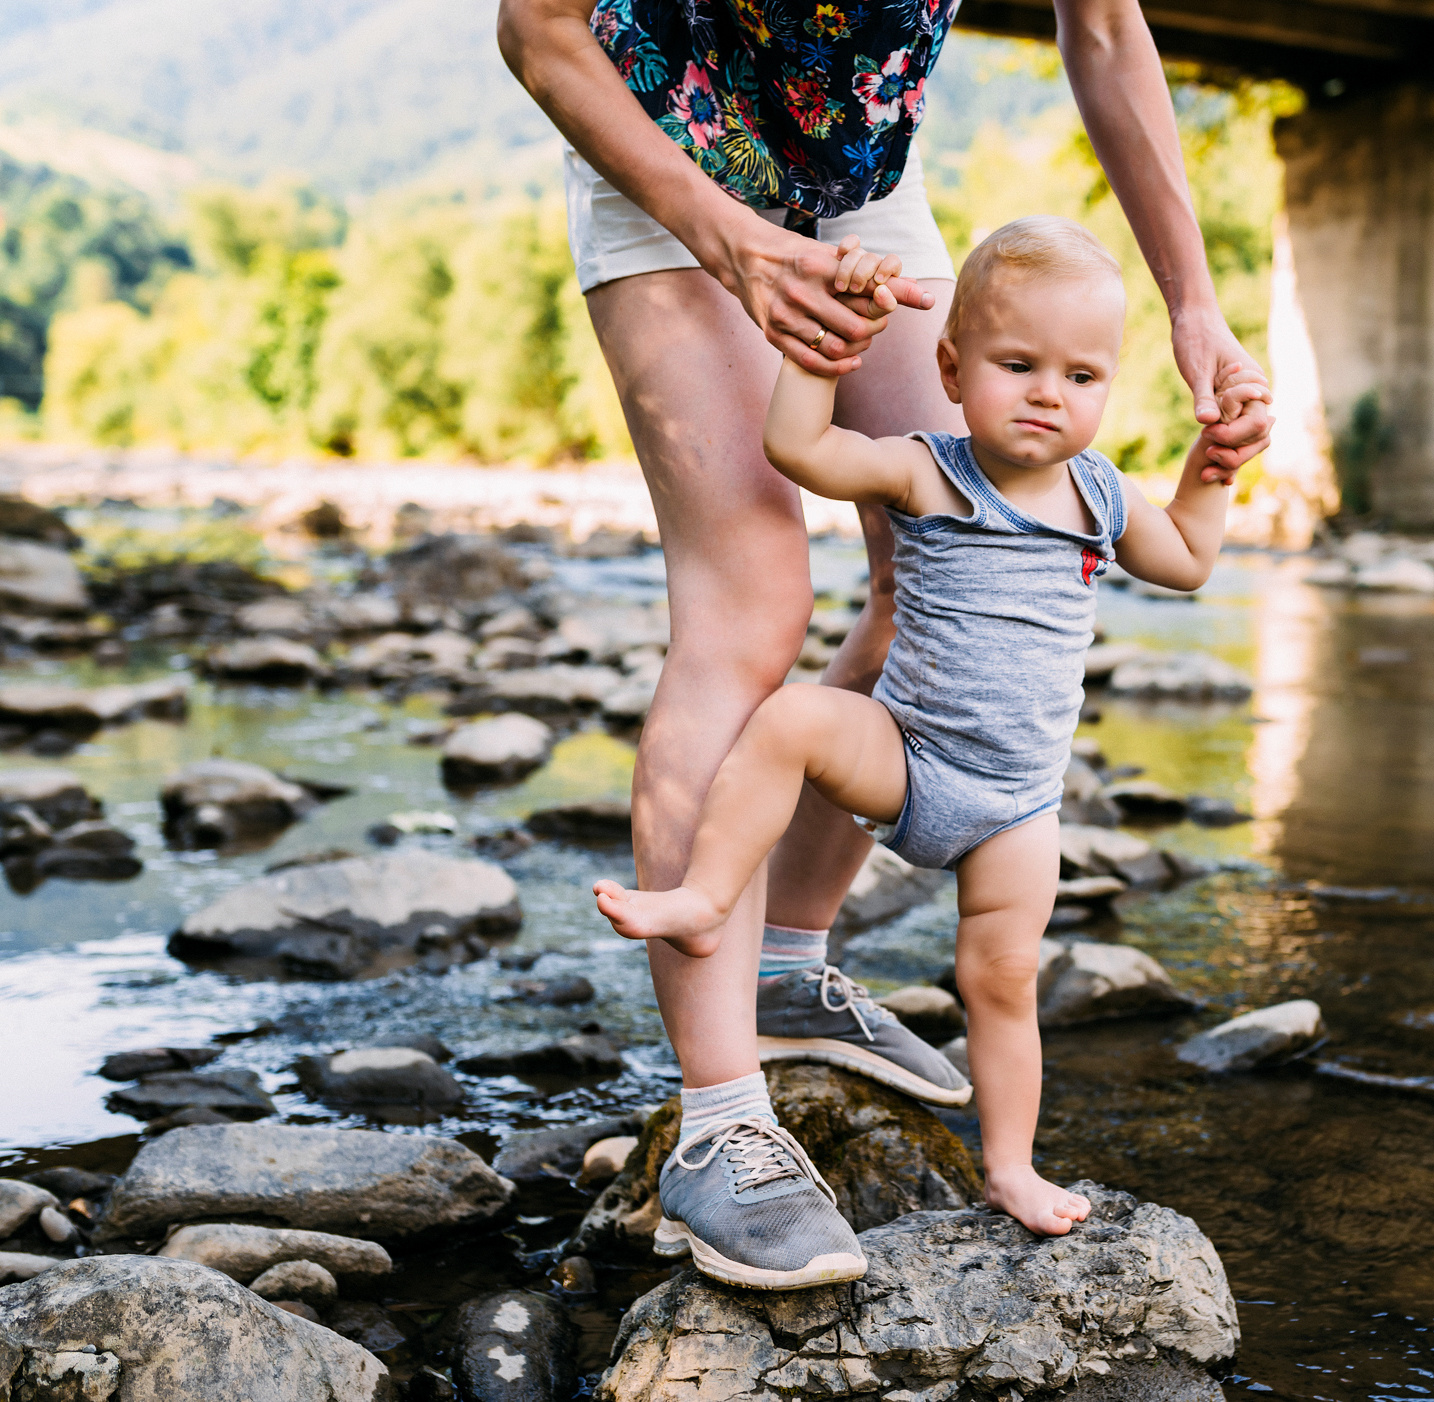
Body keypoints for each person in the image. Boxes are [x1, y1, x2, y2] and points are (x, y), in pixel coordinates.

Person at [496, 0, 1274, 1288]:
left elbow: (1108, 28)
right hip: (671, 135)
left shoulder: (1093, 489)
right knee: (753, 602)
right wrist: (741, 251)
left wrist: (1194, 307)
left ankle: (789, 964)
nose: (1050, 396)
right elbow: (538, 26)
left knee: (926, 568)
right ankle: (722, 1122)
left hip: (857, 170)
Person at [595, 216, 1250, 1288]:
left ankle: (1011, 1164)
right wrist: (828, 349)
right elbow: (801, 451)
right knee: (796, 720)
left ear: (1111, 388)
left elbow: (1185, 559)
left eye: (1082, 375)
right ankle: (712, 897)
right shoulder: (927, 471)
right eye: (1017, 365)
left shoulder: (1103, 494)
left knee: (1001, 979)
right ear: (950, 369)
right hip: (907, 756)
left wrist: (1212, 465)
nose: (1049, 393)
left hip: (1016, 809)